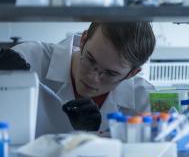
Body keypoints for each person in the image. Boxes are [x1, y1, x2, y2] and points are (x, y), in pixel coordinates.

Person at [0, 22, 156, 136]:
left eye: (110, 73)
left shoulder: (144, 100)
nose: (93, 78)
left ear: (131, 74)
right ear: (83, 40)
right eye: (90, 59)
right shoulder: (31, 59)